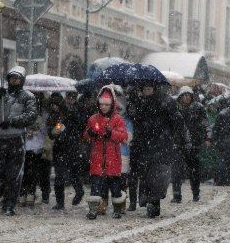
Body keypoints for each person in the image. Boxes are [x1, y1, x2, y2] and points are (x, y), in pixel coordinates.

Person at [128, 81, 188, 218]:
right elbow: (135, 120)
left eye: (149, 89)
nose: (146, 92)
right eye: (145, 89)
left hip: (162, 144)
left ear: (154, 89)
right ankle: (149, 200)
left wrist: (177, 138)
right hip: (144, 145)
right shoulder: (139, 103)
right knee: (146, 174)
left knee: (160, 174)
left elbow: (177, 121)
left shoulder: (166, 102)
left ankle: (154, 200)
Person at [0, 66, 37, 216]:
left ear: (21, 80)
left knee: (13, 174)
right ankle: (1, 192)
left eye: (17, 78)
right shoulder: (1, 94)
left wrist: (12, 121)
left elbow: (31, 116)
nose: (13, 81)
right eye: (11, 78)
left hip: (16, 139)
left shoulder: (28, 96)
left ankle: (9, 204)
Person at [83, 85, 127, 219]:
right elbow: (86, 136)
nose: (103, 107)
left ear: (112, 104)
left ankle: (118, 209)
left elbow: (123, 136)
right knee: (95, 186)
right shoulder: (93, 119)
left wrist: (111, 133)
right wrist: (90, 133)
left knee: (115, 187)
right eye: (101, 104)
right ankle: (93, 210)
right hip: (97, 158)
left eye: (106, 104)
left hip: (112, 159)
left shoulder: (117, 119)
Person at [172, 86, 211, 203]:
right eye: (184, 95)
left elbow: (206, 124)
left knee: (194, 170)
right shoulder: (175, 109)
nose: (186, 97)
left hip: (194, 143)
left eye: (188, 95)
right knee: (176, 170)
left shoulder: (199, 108)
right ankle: (177, 195)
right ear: (180, 97)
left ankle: (196, 193)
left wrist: (208, 137)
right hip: (178, 143)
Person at [49, 91, 86, 210]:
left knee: (74, 173)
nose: (70, 100)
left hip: (73, 146)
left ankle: (79, 191)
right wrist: (54, 130)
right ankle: (60, 203)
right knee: (59, 175)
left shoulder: (77, 110)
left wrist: (67, 115)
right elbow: (52, 130)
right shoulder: (56, 114)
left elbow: (80, 122)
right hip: (60, 147)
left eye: (72, 98)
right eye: (68, 98)